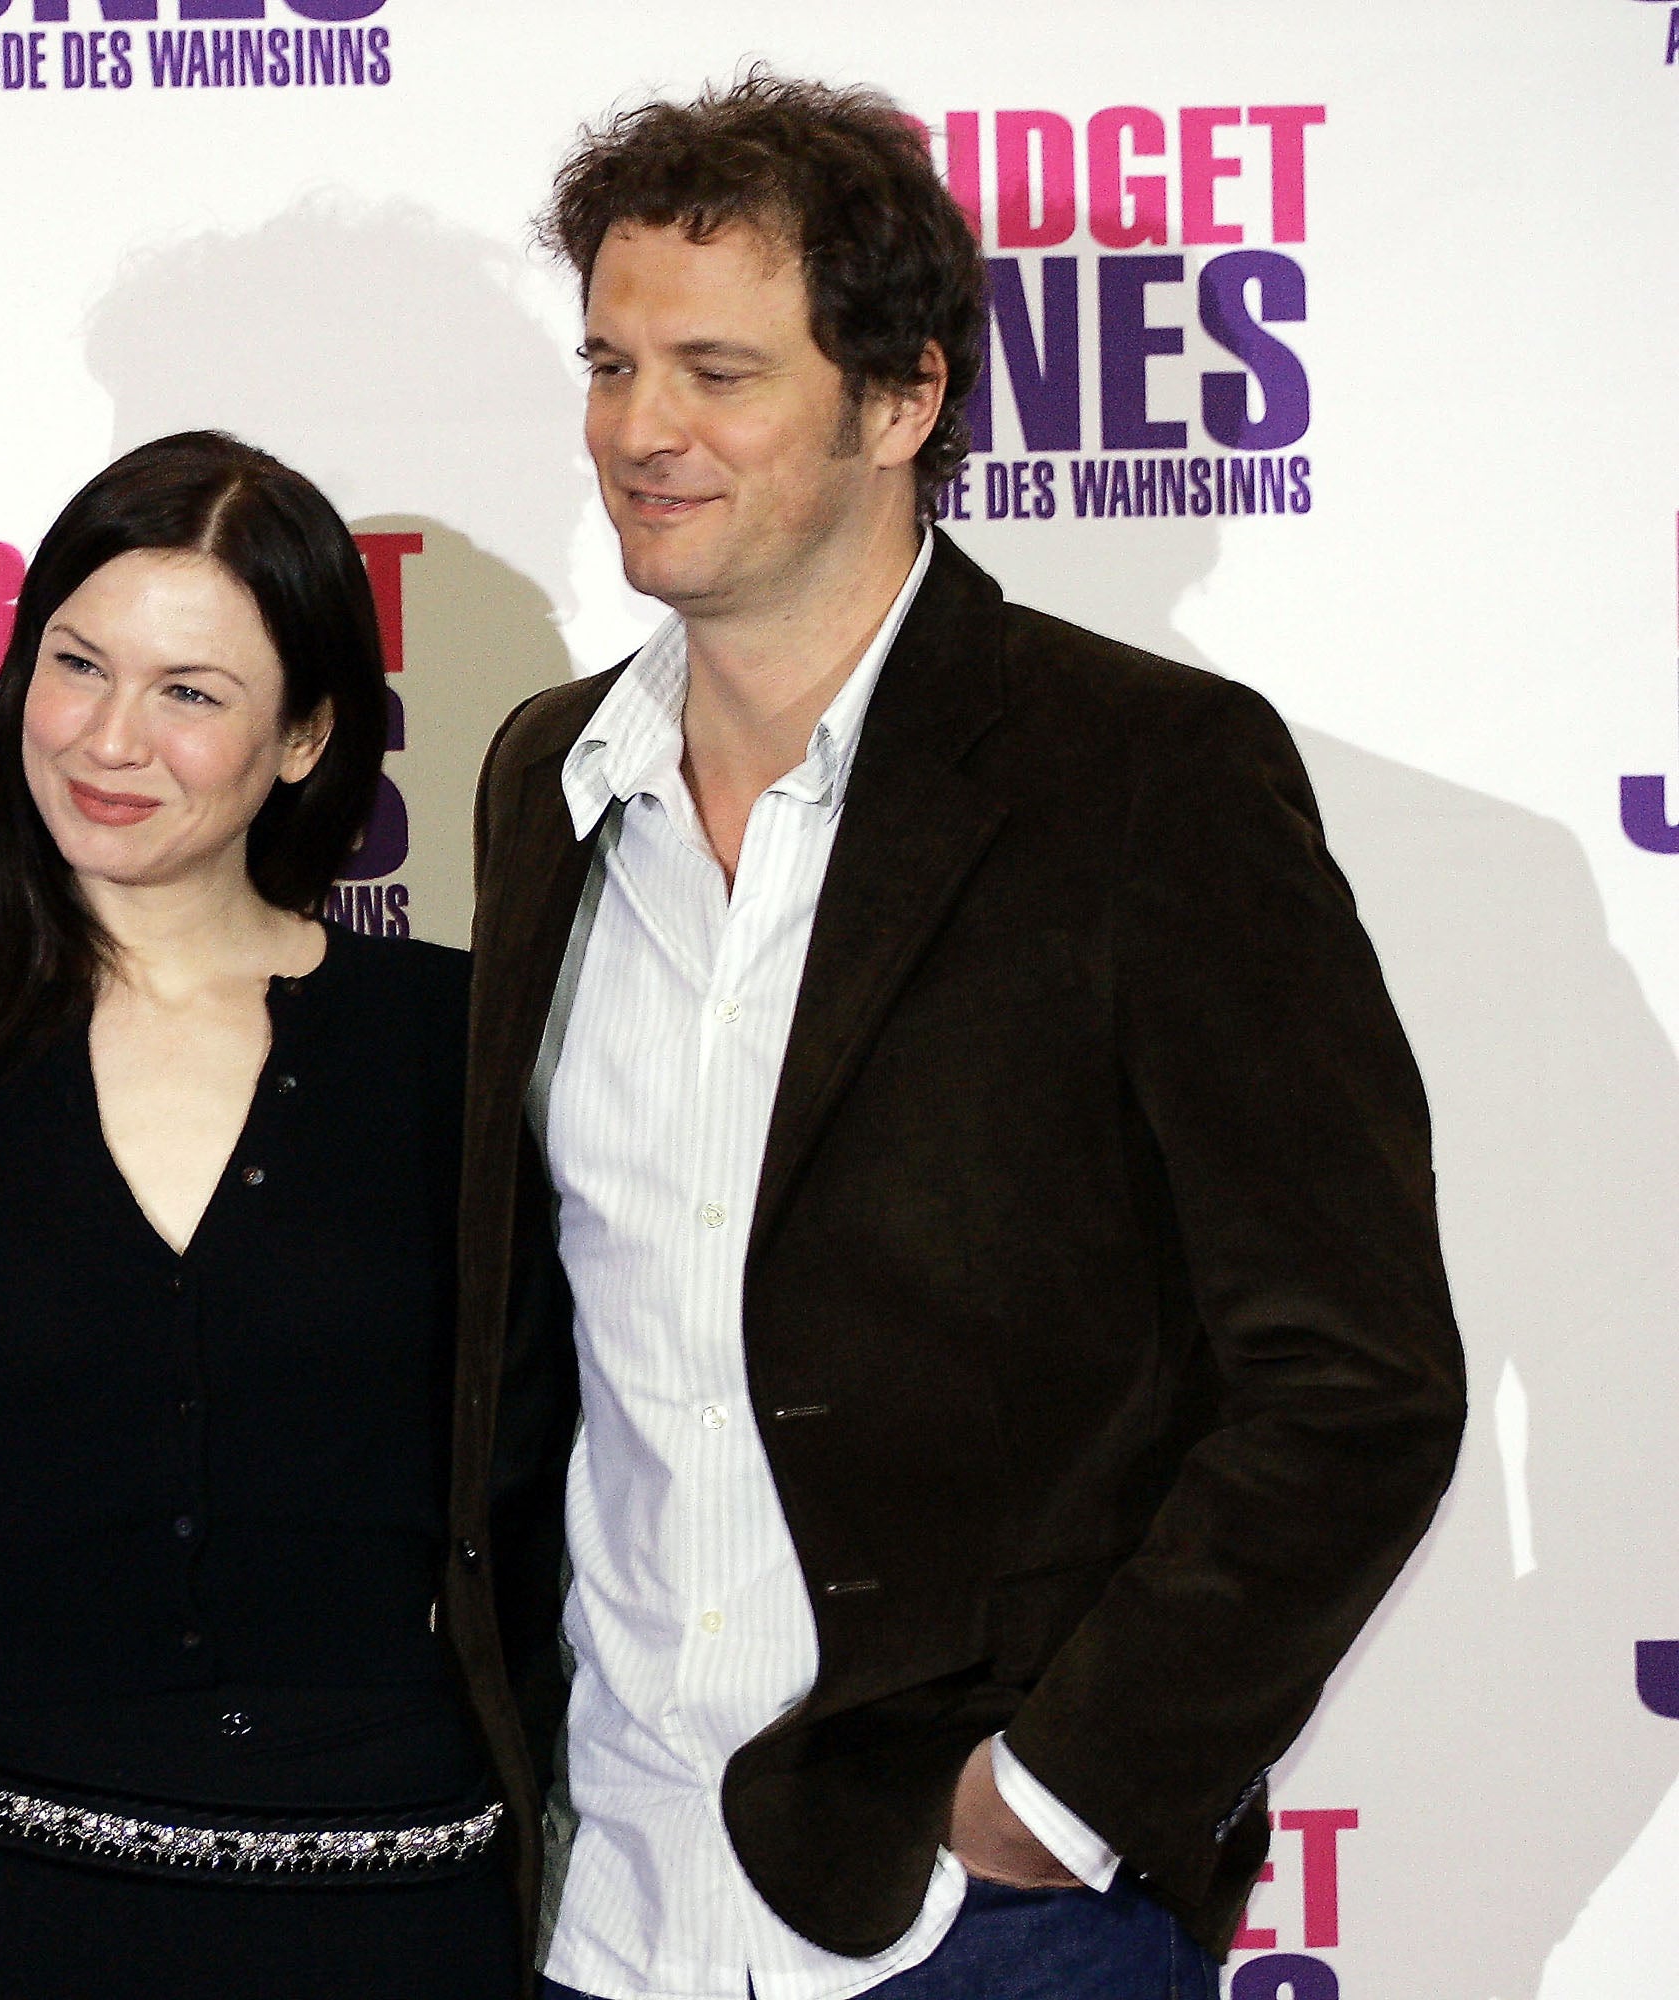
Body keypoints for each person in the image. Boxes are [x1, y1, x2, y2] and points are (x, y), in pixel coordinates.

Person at [442, 74, 1467, 2000]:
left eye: (718, 373)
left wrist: (1051, 1800)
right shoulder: (544, 779)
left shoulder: (1149, 777)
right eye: (608, 362)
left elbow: (1359, 1379)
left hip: (977, 1917)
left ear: (903, 399)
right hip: (617, 1899)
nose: (638, 433)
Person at [0, 431, 525, 1998]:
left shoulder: (456, 1046)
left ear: (309, 736)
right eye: (78, 665)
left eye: (191, 693)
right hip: (21, 1913)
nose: (111, 740)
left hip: (406, 1912)